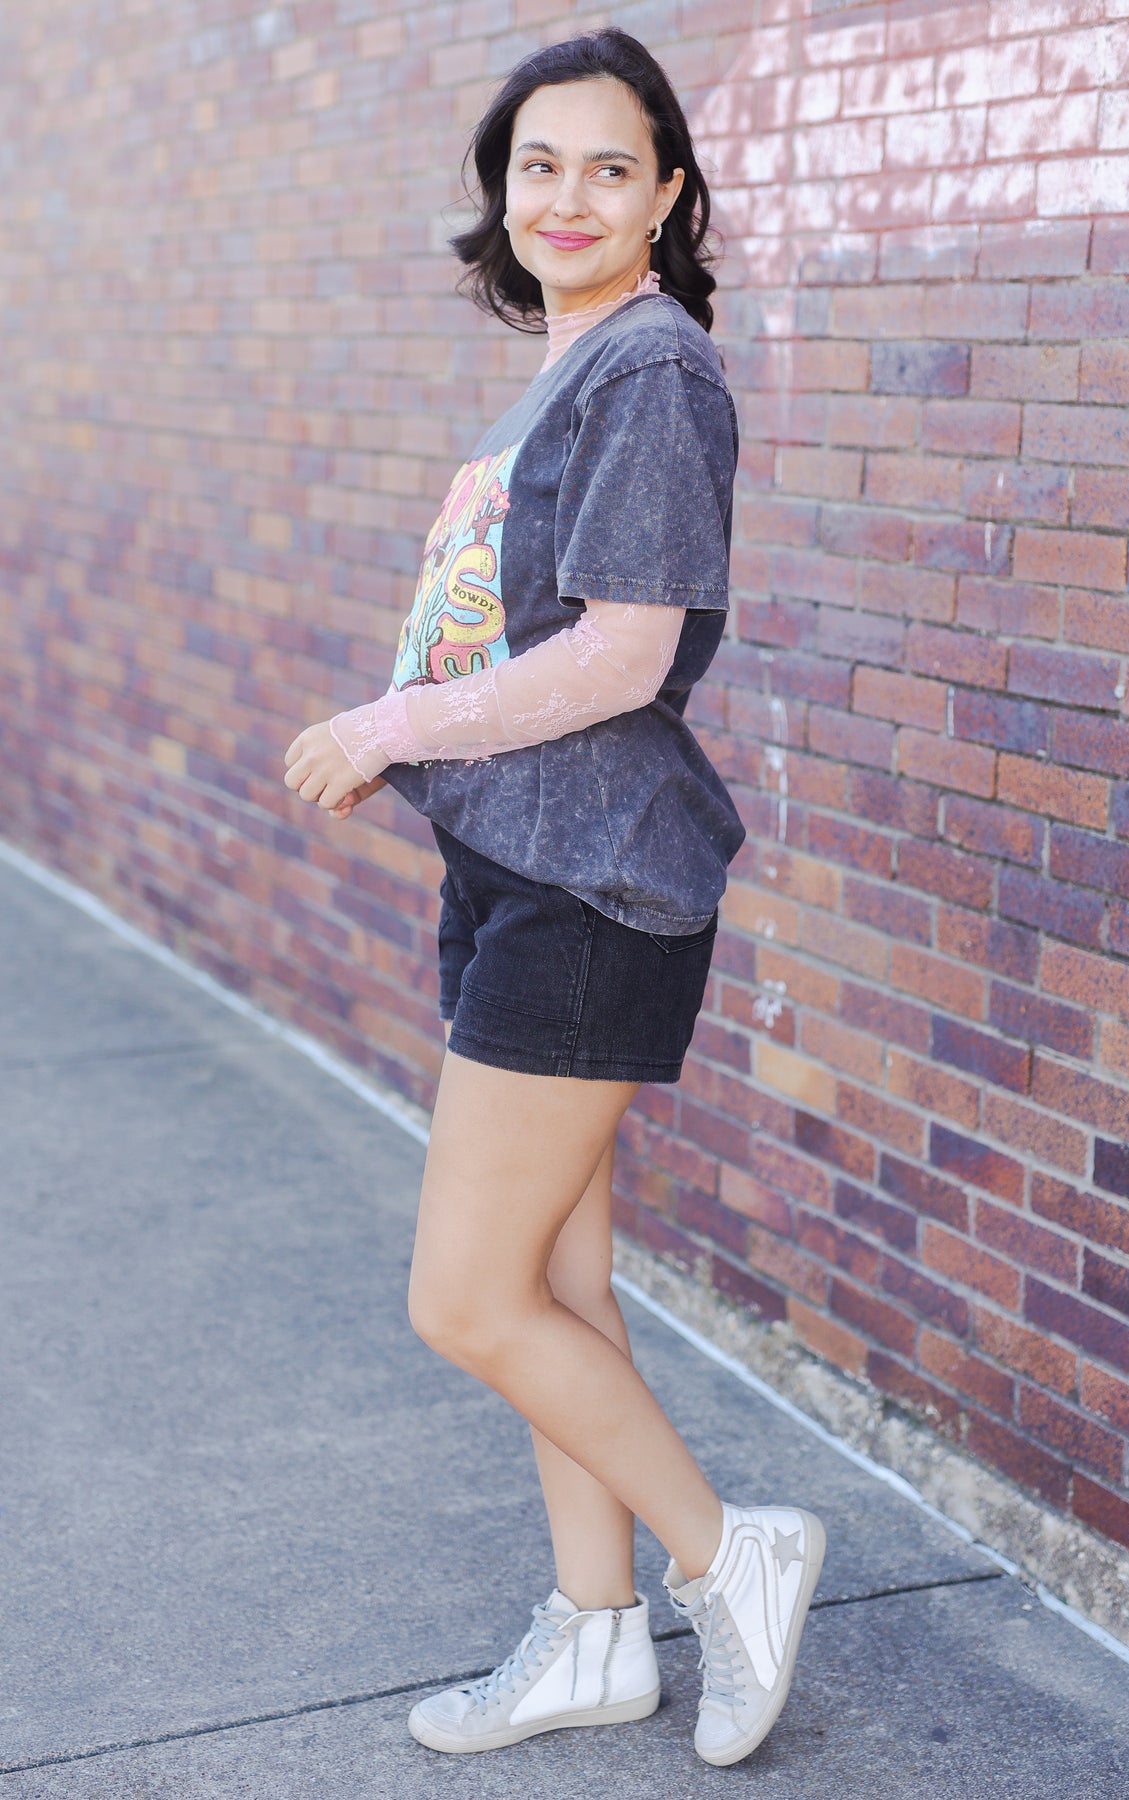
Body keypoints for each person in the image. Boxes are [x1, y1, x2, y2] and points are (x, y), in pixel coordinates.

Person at [283, 26, 825, 1770]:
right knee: (557, 1294)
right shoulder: (570, 366)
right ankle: (595, 1638)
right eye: (538, 165)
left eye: (611, 166)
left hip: (596, 889)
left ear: (669, 192)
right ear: (499, 192)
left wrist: (391, 720)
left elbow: (623, 654)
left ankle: (726, 1551)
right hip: (520, 871)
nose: (570, 197)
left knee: (464, 1296)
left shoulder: (653, 370)